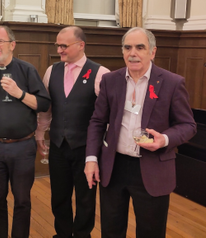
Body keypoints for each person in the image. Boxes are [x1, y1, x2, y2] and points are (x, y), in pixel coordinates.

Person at [84, 27, 197, 238]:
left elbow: (188, 125)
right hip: (114, 167)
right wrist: (91, 159)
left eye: (140, 47)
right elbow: (97, 121)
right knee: (111, 230)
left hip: (152, 167)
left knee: (151, 232)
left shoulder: (172, 83)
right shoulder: (110, 80)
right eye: (127, 47)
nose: (132, 53)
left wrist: (164, 139)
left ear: (152, 52)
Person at [0, 25, 50, 238]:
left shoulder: (27, 70)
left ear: (12, 45)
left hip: (23, 147)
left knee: (22, 200)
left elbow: (43, 104)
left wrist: (19, 93)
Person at [36, 26, 110, 238]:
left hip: (86, 149)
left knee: (86, 197)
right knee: (59, 196)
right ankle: (62, 234)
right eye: (57, 45)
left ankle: (82, 234)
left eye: (64, 46)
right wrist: (40, 133)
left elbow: (107, 116)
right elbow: (47, 108)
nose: (59, 50)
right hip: (59, 145)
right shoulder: (52, 71)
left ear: (81, 45)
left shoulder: (100, 73)